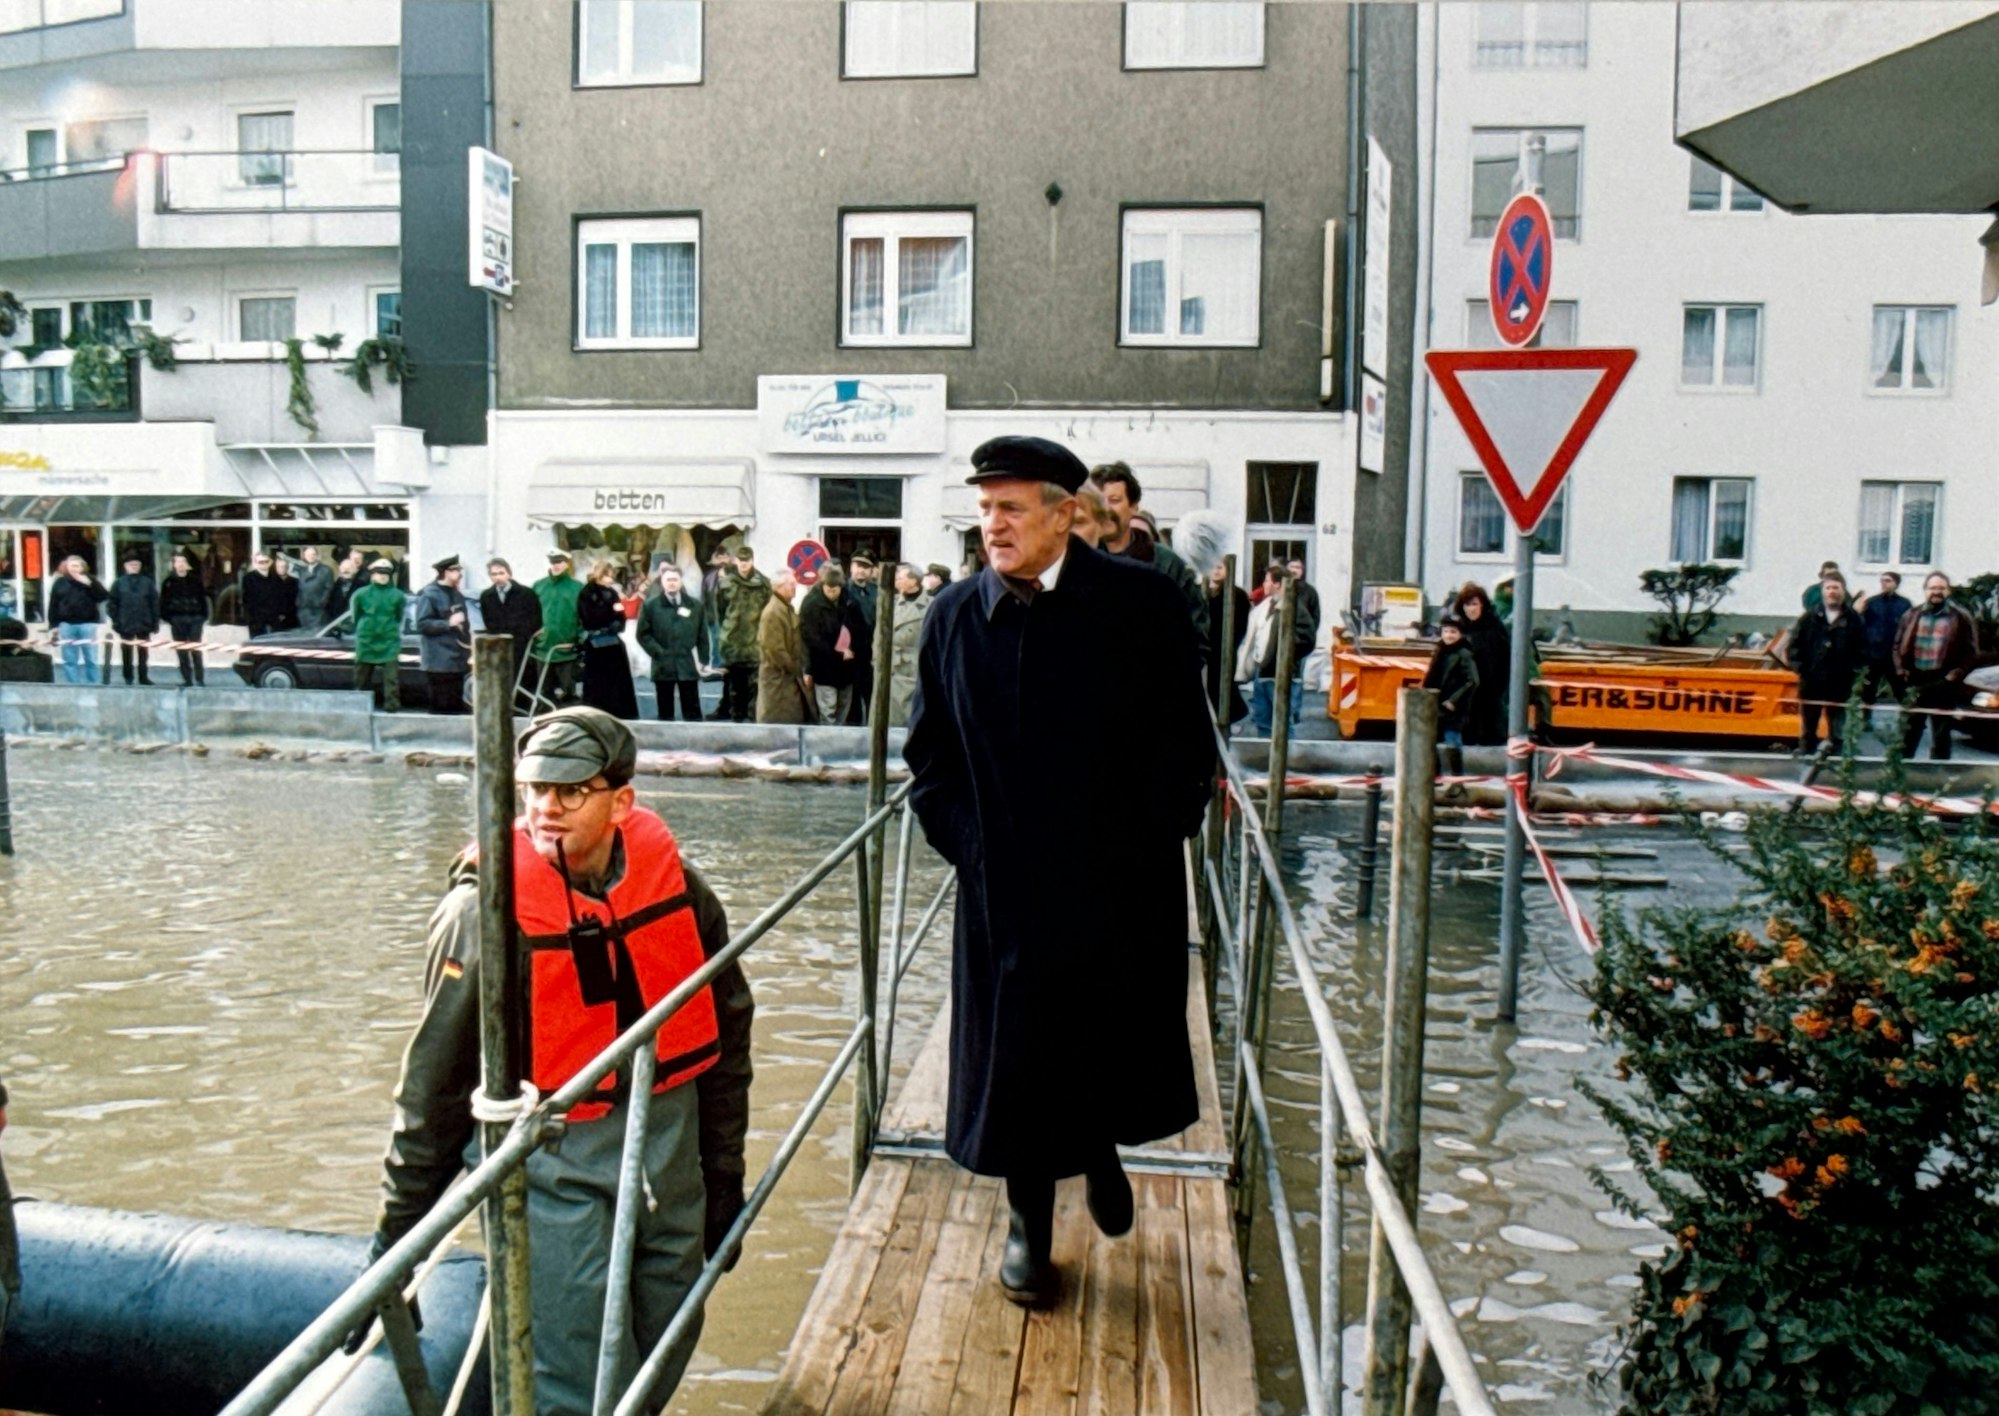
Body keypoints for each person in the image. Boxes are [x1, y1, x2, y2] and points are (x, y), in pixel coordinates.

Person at [361, 707, 754, 1414]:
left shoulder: (682, 890)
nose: (547, 807)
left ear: (621, 801)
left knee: (668, 1336)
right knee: (572, 1383)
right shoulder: (483, 916)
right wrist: (397, 1247)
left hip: (667, 1154)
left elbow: (727, 1040)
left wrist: (724, 1175)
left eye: (571, 791)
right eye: (535, 789)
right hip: (553, 1166)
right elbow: (431, 1091)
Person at [905, 435, 1213, 1307]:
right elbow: (929, 759)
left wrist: (1154, 837)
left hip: (1120, 877)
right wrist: (969, 845)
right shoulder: (956, 617)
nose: (991, 526)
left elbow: (1184, 745)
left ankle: (1100, 1146)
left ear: (1064, 513)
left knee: (1106, 1032)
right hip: (1003, 883)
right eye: (983, 510)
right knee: (1017, 1054)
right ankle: (1028, 1223)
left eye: (1009, 508)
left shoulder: (1140, 606)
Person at [1090, 462, 1208, 643]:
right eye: (1099, 501)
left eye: (1114, 500)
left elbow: (1195, 634)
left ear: (1133, 507)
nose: (1106, 509)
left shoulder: (1166, 564)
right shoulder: (1077, 561)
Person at [1894, 572, 1979, 761]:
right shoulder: (1911, 615)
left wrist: (1955, 674)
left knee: (1941, 734)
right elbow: (1897, 645)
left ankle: (1938, 776)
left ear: (1948, 591)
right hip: (1915, 679)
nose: (1936, 592)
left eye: (1941, 588)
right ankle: (1900, 773)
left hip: (1943, 681)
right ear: (1925, 590)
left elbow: (1971, 652)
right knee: (1909, 730)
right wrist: (1901, 670)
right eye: (1932, 588)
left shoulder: (1960, 617)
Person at [1786, 573, 1867, 756]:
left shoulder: (1854, 620)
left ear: (1843, 591)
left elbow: (1863, 649)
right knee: (1809, 719)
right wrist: (1800, 668)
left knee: (1837, 720)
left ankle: (1836, 752)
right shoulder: (1809, 618)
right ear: (1822, 591)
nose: (1832, 592)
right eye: (1828, 588)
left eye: (1836, 588)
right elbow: (1794, 647)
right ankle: (1807, 749)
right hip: (1812, 679)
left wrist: (1854, 670)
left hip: (1840, 681)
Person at [636, 565, 708, 723]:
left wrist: (704, 659)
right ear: (662, 582)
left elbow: (703, 634)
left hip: (686, 663)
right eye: (668, 579)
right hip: (663, 664)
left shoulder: (695, 606)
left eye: (675, 579)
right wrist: (657, 652)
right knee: (665, 714)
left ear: (681, 581)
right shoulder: (650, 606)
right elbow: (642, 634)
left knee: (693, 713)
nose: (672, 583)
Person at [798, 566, 865, 728]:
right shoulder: (812, 605)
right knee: (827, 710)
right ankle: (828, 742)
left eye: (835, 590)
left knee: (843, 709)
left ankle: (838, 741)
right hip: (824, 667)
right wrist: (837, 653)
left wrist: (852, 649)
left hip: (847, 667)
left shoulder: (850, 603)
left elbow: (861, 631)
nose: (831, 593)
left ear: (840, 587)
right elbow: (811, 638)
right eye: (828, 590)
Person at [1423, 615, 1479, 798]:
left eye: (1453, 632)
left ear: (1460, 634)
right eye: (1446, 631)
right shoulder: (1440, 650)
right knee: (1430, 740)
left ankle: (1457, 781)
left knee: (1452, 742)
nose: (1448, 635)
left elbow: (1472, 681)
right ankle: (1436, 776)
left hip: (1454, 707)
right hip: (1437, 703)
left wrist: (1454, 700)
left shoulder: (1464, 653)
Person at [715, 546, 771, 724]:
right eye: (741, 560)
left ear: (752, 561)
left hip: (755, 642)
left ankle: (753, 722)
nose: (744, 564)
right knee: (735, 688)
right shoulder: (727, 583)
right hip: (733, 643)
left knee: (755, 688)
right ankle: (736, 720)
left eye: (747, 560)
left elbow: (767, 612)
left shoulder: (763, 584)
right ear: (736, 561)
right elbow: (720, 611)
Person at [578, 558, 639, 721]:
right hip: (597, 644)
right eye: (609, 575)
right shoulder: (587, 592)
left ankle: (618, 712)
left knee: (616, 681)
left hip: (612, 642)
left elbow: (621, 617)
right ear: (601, 574)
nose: (611, 579)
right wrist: (612, 612)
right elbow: (589, 618)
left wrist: (616, 621)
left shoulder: (611, 592)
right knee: (600, 682)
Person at [1452, 584, 1511, 747]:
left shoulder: (1494, 628)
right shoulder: (1459, 629)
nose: (1471, 609)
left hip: (1489, 694)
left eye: (1474, 604)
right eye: (1467, 605)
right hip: (1465, 695)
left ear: (1483, 605)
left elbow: (1503, 661)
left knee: (1491, 737)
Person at [414, 555, 472, 715]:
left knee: (455, 707)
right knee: (440, 708)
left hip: (457, 660)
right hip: (438, 662)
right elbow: (422, 624)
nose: (460, 574)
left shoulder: (456, 593)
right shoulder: (429, 594)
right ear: (446, 572)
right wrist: (447, 623)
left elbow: (464, 625)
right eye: (456, 570)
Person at [1237, 564, 1288, 737]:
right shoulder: (1265, 606)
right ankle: (1264, 758)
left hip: (1281, 672)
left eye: (1267, 580)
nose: (1264, 584)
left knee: (1283, 723)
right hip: (1262, 669)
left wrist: (1287, 658)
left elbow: (1304, 638)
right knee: (1263, 719)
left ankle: (1288, 761)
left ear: (1278, 584)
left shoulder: (1291, 607)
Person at [1857, 570, 1913, 730]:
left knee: (1900, 687)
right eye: (1882, 580)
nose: (1884, 583)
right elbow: (1862, 624)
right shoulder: (1872, 602)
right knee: (1869, 688)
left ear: (1896, 583)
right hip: (1874, 653)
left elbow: (1909, 627)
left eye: (1888, 581)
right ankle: (1865, 719)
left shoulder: (1905, 604)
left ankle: (1911, 718)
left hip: (1894, 655)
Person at [754, 568, 810, 725]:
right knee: (777, 723)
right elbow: (774, 649)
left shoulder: (784, 608)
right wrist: (793, 668)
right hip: (778, 679)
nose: (795, 588)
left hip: (784, 678)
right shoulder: (773, 612)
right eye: (791, 584)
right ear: (779, 586)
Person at [352, 558, 407, 713]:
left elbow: (399, 616)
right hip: (366, 641)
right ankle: (360, 708)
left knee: (391, 679)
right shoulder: (360, 594)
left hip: (389, 642)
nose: (382, 576)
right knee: (361, 678)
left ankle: (392, 707)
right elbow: (356, 617)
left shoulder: (398, 595)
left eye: (386, 573)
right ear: (372, 574)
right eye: (379, 573)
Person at [532, 550, 585, 707]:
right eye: (553, 562)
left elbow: (584, 616)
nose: (556, 565)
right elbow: (530, 613)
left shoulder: (578, 588)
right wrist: (534, 633)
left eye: (560, 561)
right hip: (543, 649)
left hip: (567, 649)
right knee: (544, 695)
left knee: (569, 696)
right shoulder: (538, 586)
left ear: (567, 564)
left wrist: (580, 638)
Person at [479, 557, 545, 680]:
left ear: (509, 573)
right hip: (499, 646)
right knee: (501, 679)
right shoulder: (486, 596)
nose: (498, 577)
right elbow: (488, 621)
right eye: (494, 574)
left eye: (501, 573)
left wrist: (522, 636)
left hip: (521, 646)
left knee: (522, 679)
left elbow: (536, 619)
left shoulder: (526, 594)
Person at [49, 556, 109, 685]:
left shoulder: (90, 580)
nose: (74, 568)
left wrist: (89, 584)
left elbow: (103, 596)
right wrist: (53, 625)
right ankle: (72, 684)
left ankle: (93, 684)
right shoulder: (60, 582)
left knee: (91, 657)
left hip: (87, 624)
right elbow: (53, 604)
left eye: (77, 566)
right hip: (66, 625)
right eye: (71, 566)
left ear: (83, 567)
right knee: (69, 658)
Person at [1205, 562, 1251, 727]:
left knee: (1223, 684)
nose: (1216, 571)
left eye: (1220, 567)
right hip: (1207, 648)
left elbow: (1240, 625)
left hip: (1224, 647)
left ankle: (1230, 719)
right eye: (1213, 567)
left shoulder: (1236, 595)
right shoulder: (1206, 592)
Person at [886, 562, 931, 728]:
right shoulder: (890, 602)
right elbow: (879, 636)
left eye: (900, 578)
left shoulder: (930, 605)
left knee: (911, 719)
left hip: (912, 669)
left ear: (913, 581)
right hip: (890, 667)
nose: (896, 581)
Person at [107, 552, 159, 687]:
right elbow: (112, 604)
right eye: (131, 564)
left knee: (143, 652)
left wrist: (155, 622)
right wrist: (116, 621)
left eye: (137, 564)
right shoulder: (118, 583)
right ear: (125, 566)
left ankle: (143, 677)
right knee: (126, 651)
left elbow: (154, 603)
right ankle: (128, 677)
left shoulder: (147, 583)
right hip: (125, 622)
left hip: (144, 622)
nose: (134, 567)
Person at [160, 551, 211, 687]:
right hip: (177, 620)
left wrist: (202, 617)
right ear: (174, 564)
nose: (181, 565)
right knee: (182, 651)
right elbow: (163, 602)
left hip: (195, 619)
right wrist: (170, 618)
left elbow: (203, 600)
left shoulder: (195, 581)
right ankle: (187, 679)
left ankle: (200, 679)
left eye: (183, 561)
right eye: (178, 562)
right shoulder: (169, 582)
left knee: (196, 650)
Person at [845, 556, 878, 726]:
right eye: (858, 566)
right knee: (853, 696)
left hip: (872, 648)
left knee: (872, 692)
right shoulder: (844, 589)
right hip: (851, 649)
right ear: (851, 567)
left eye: (866, 567)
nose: (861, 570)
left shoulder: (875, 590)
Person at [701, 547, 734, 718]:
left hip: (728, 618)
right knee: (715, 640)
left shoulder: (733, 575)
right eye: (719, 556)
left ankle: (722, 667)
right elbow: (705, 596)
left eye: (725, 556)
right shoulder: (709, 576)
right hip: (713, 616)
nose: (722, 559)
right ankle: (717, 668)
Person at [240, 553, 286, 639]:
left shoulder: (276, 578)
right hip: (256, 619)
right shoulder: (248, 578)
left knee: (276, 644)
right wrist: (250, 616)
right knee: (258, 644)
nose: (264, 564)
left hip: (274, 618)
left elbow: (281, 597)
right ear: (255, 563)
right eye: (261, 562)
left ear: (270, 562)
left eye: (266, 561)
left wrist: (281, 613)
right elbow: (246, 599)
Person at [296, 546, 334, 633]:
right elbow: (299, 589)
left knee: (317, 635)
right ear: (304, 556)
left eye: (313, 554)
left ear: (317, 556)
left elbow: (329, 589)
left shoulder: (326, 570)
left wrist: (321, 603)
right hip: (303, 609)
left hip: (318, 610)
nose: (311, 557)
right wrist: (299, 602)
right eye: (308, 555)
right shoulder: (301, 570)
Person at [326, 552, 363, 626]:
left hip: (355, 622)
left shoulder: (361, 585)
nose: (346, 571)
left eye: (349, 568)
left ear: (355, 570)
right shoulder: (335, 585)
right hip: (337, 622)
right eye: (343, 568)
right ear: (340, 570)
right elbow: (330, 605)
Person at [270, 553, 302, 632]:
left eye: (284, 567)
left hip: (292, 618)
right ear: (275, 567)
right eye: (280, 567)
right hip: (274, 619)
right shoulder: (270, 582)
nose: (282, 569)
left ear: (287, 567)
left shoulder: (295, 582)